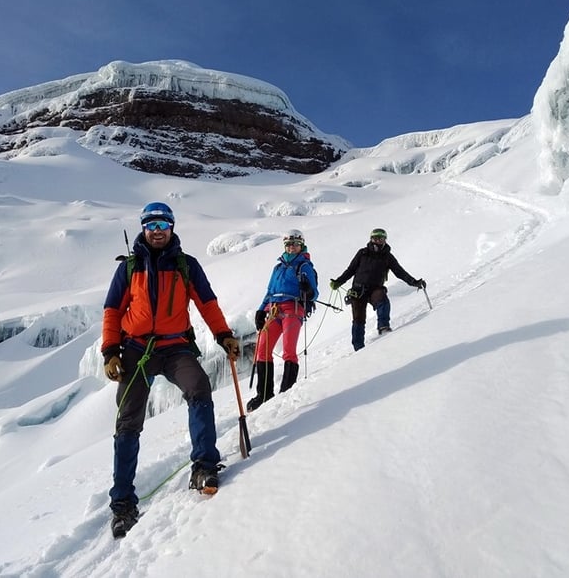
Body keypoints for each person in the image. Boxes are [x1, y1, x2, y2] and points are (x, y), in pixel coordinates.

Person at [101, 201, 240, 538]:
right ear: (143, 229)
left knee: (199, 388)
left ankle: (204, 467)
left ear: (172, 227)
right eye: (151, 225)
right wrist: (110, 352)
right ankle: (122, 504)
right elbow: (112, 311)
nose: (157, 230)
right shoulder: (129, 268)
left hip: (176, 346)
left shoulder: (185, 266)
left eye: (163, 224)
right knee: (128, 421)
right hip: (137, 350)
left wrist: (223, 334)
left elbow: (207, 303)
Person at [248, 229, 318, 412]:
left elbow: (314, 293)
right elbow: (270, 292)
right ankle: (264, 394)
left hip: (293, 309)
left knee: (288, 350)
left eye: (295, 244)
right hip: (274, 309)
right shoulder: (278, 267)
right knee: (262, 350)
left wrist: (308, 290)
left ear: (301, 246)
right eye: (288, 244)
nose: (291, 247)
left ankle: (286, 392)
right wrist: (261, 310)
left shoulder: (304, 266)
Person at [329, 228, 425, 351]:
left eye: (381, 238)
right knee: (358, 319)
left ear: (385, 240)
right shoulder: (362, 253)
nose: (378, 241)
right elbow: (351, 270)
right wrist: (338, 282)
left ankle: (383, 327)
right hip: (358, 290)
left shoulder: (387, 257)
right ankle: (358, 348)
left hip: (375, 288)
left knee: (382, 301)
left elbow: (399, 272)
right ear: (371, 239)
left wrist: (414, 282)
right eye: (375, 238)